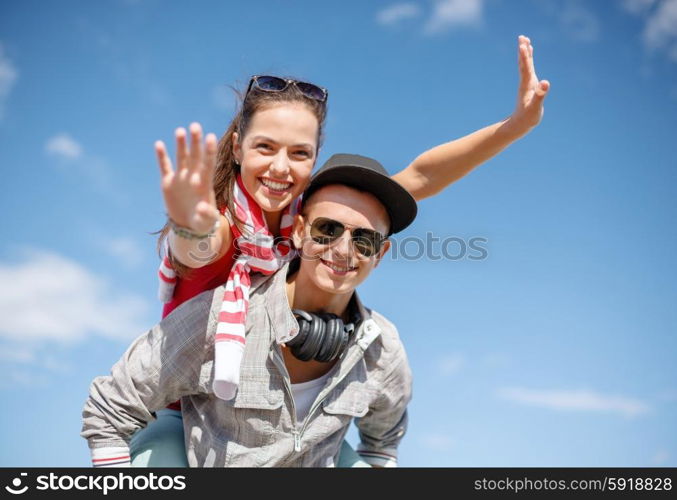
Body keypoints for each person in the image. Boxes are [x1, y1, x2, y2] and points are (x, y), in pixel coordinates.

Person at [135, 34, 549, 465]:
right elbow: (199, 248)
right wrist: (190, 222)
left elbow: (422, 176)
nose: (281, 167)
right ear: (237, 146)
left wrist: (514, 127)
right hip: (183, 416)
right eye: (265, 147)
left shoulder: (317, 220)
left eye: (299, 153)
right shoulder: (221, 224)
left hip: (270, 423)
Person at [81, 154, 416, 467]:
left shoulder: (382, 348)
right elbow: (109, 406)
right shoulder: (223, 316)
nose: (343, 250)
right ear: (299, 232)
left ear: (380, 253)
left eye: (364, 240)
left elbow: (382, 444)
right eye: (327, 230)